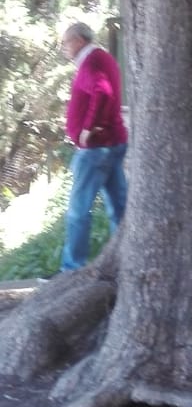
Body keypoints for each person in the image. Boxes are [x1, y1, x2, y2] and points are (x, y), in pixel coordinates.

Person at [60, 21, 128, 271]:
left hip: (97, 149)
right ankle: (126, 260)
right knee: (120, 208)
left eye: (65, 43)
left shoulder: (92, 62)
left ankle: (72, 269)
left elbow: (103, 91)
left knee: (78, 211)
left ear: (79, 41)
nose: (64, 48)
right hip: (113, 142)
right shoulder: (102, 58)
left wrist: (89, 127)